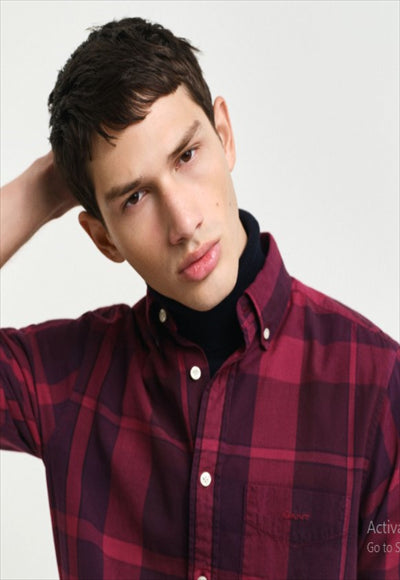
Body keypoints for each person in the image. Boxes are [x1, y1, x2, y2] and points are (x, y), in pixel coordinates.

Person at [0, 16, 399, 580]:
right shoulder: (67, 378)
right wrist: (40, 191)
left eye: (186, 155)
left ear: (225, 135)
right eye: (135, 197)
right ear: (103, 238)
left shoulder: (375, 382)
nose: (184, 222)